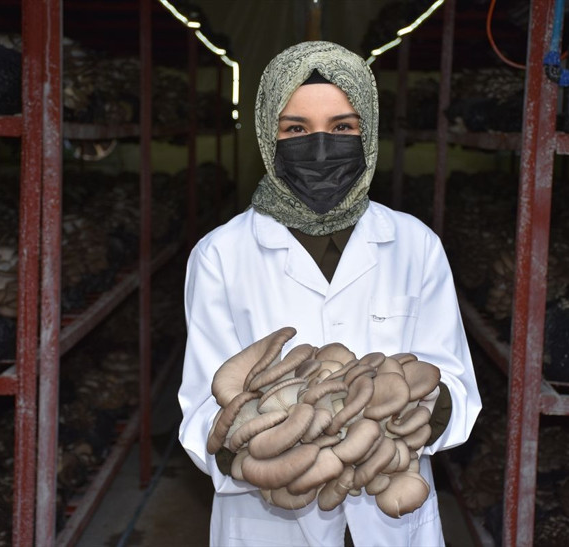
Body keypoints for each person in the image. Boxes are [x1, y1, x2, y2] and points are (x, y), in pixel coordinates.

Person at [178, 41, 481, 547]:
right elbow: (201, 413)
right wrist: (266, 456)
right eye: (295, 129)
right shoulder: (221, 255)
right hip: (268, 527)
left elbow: (456, 388)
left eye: (343, 128)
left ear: (370, 131)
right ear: (266, 135)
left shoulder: (415, 245)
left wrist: (407, 419)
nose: (320, 148)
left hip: (388, 517)